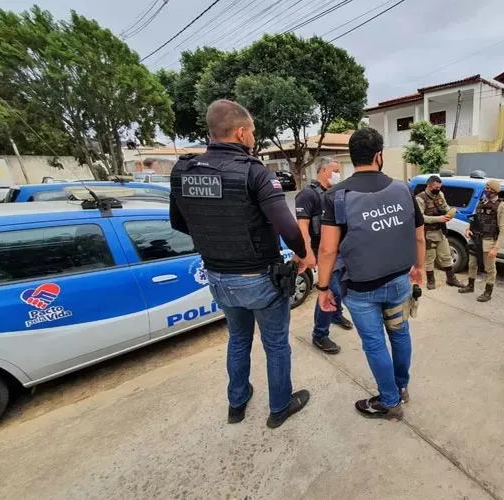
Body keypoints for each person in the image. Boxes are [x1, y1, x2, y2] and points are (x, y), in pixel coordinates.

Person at [169, 100, 315, 428]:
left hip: (218, 277)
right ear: (239, 132)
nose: (252, 137)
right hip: (259, 278)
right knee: (276, 344)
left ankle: (237, 403)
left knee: (238, 339)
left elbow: (179, 224)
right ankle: (279, 407)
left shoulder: (183, 171)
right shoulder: (254, 172)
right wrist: (304, 254)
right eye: (251, 132)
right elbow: (288, 228)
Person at [317, 127, 426, 421]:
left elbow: (327, 250)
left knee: (375, 343)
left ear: (353, 159)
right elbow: (418, 236)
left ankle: (390, 402)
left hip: (362, 290)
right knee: (400, 333)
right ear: (379, 156)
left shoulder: (336, 196)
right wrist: (420, 268)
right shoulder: (403, 188)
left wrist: (323, 288)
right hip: (399, 281)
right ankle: (401, 388)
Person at [295, 157, 354, 355]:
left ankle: (336, 314)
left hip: (340, 250)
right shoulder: (307, 195)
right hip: (321, 251)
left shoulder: (336, 194)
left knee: (341, 289)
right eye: (336, 170)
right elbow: (302, 228)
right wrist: (306, 253)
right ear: (323, 171)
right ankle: (319, 334)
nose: (339, 175)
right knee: (331, 290)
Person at [458, 178, 504, 302]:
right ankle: (470, 285)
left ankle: (488, 291)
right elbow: (474, 218)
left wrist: (496, 248)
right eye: (486, 188)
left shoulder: (502, 207)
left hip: (489, 241)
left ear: (495, 191)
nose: (486, 190)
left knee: (490, 268)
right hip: (475, 238)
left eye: (489, 189)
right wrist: (468, 229)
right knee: (472, 264)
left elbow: (503, 230)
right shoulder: (481, 202)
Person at [415, 176, 464, 290]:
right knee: (430, 258)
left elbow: (444, 206)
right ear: (429, 185)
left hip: (440, 231)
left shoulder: (439, 194)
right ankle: (431, 281)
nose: (438, 189)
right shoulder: (420, 199)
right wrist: (439, 218)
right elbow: (421, 218)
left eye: (439, 187)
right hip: (428, 233)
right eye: (436, 187)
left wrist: (450, 212)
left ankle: (451, 279)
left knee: (446, 255)